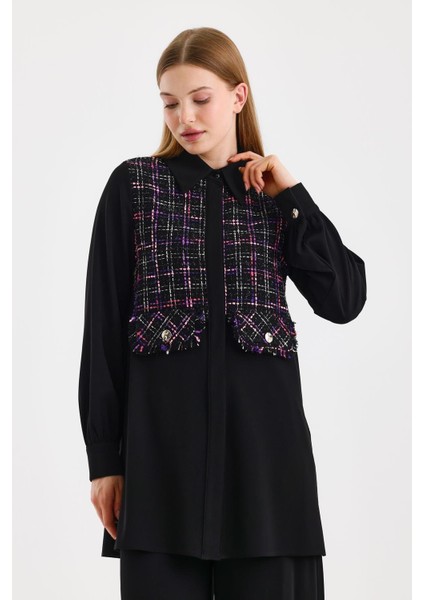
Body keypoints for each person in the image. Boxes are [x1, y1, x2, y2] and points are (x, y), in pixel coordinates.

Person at [78, 26, 367, 600]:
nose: (184, 117)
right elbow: (102, 332)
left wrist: (294, 197)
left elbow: (345, 300)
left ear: (238, 96)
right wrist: (104, 459)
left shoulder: (273, 197)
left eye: (200, 99)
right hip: (161, 475)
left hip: (268, 480)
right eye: (170, 103)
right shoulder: (134, 187)